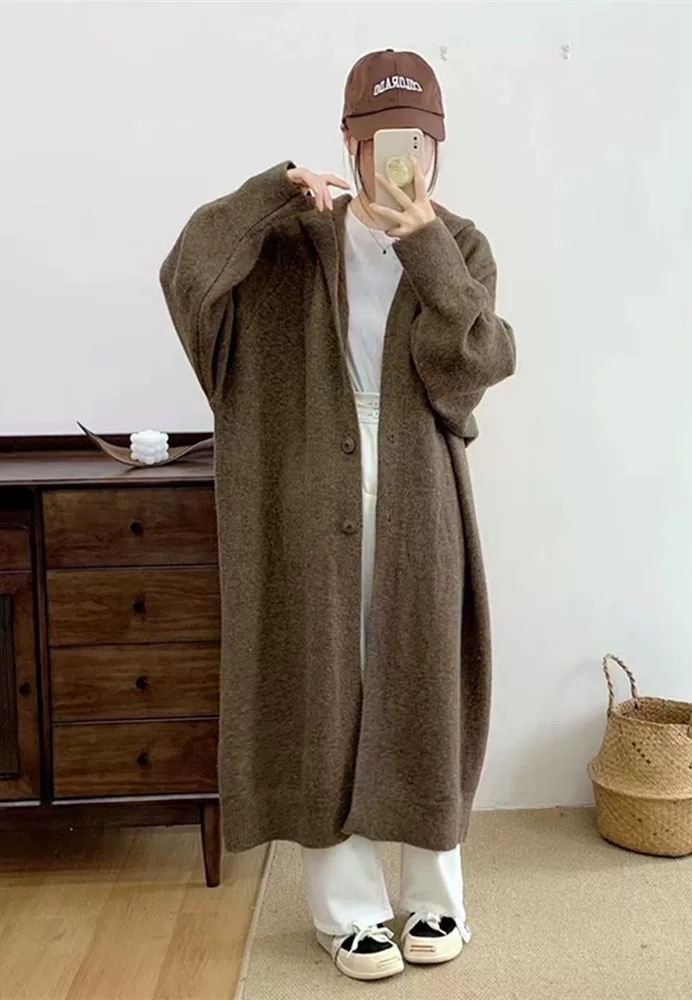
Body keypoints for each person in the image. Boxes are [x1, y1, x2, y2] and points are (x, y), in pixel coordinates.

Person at [160, 48, 515, 983]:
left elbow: (473, 366)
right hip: (302, 486)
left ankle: (436, 897)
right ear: (350, 143)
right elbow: (188, 279)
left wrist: (425, 245)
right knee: (316, 684)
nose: (402, 159)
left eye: (417, 142)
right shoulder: (289, 241)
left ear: (437, 146)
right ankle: (348, 910)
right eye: (382, 140)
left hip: (419, 489)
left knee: (424, 677)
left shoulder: (462, 244)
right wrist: (268, 194)